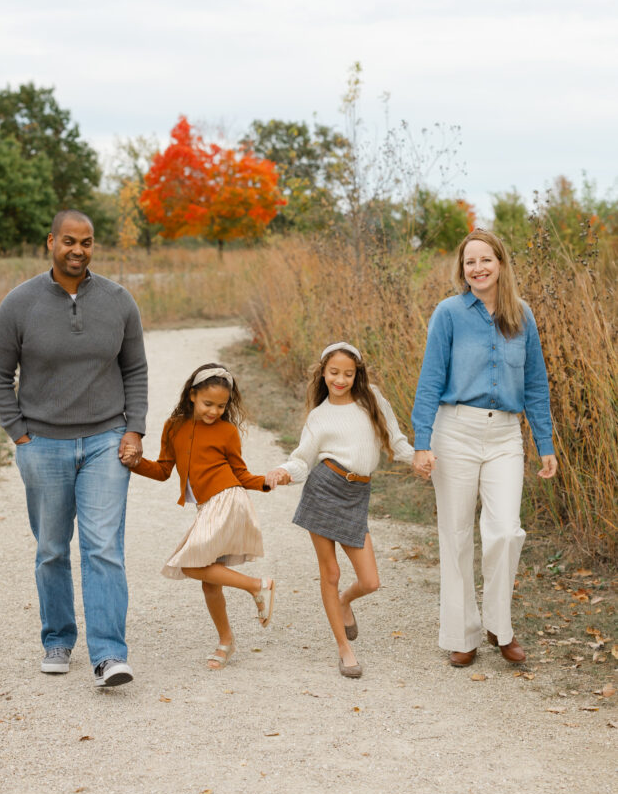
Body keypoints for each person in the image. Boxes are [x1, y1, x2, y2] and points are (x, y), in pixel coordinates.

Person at [0, 209, 148, 688]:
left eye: (88, 242)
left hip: (105, 441)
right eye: (69, 241)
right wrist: (18, 432)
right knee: (52, 548)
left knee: (103, 548)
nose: (78, 250)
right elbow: (0, 375)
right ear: (51, 242)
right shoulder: (19, 304)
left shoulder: (119, 301)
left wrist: (134, 428)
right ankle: (57, 638)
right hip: (43, 444)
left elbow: (135, 369)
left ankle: (108, 656)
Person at [411, 228, 558, 668]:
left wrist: (545, 441)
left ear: (501, 264)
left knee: (505, 531)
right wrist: (422, 442)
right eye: (469, 262)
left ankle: (500, 626)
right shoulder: (449, 313)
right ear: (462, 269)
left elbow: (535, 384)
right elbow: (431, 379)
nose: (477, 268)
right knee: (456, 536)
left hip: (505, 437)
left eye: (485, 260)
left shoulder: (522, 316)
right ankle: (463, 634)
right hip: (454, 431)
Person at [268, 342, 414, 679]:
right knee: (330, 573)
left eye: (348, 373)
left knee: (370, 580)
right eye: (334, 373)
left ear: (357, 374)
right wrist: (284, 472)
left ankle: (346, 602)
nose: (340, 379)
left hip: (357, 493)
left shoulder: (371, 399)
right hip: (324, 489)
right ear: (323, 373)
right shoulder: (319, 415)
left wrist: (420, 459)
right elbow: (302, 459)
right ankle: (344, 650)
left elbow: (396, 439)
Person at [122, 363, 281, 671]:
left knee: (192, 565)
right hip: (207, 507)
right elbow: (164, 470)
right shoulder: (174, 426)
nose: (214, 411)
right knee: (208, 581)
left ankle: (257, 586)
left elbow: (240, 473)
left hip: (227, 501)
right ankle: (226, 642)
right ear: (192, 395)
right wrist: (136, 463)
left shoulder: (227, 431)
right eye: (208, 404)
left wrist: (265, 481)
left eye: (222, 406)